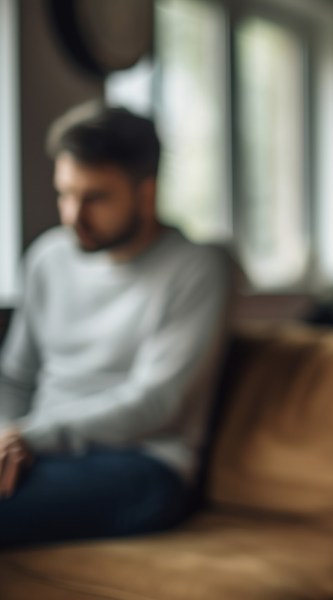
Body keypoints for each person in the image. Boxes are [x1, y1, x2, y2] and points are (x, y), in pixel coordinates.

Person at [0, 103, 231, 547]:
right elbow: (14, 377)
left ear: (146, 193)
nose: (73, 217)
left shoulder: (198, 267)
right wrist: (8, 438)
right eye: (65, 194)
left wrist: (29, 436)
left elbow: (156, 402)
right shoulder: (47, 258)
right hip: (37, 448)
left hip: (142, 464)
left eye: (95, 198)